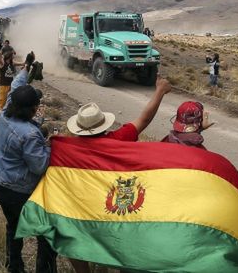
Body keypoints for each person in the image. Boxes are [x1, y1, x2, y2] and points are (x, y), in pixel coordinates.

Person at [64, 77, 171, 273]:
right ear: (103, 124)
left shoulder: (69, 149)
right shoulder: (118, 139)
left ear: (79, 128)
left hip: (82, 207)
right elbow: (144, 119)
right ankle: (106, 265)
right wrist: (159, 92)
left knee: (74, 239)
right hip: (111, 206)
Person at [0, 51, 58, 273]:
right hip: (18, 189)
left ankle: (14, 266)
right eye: (36, 107)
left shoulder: (6, 110)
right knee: (46, 231)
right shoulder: (28, 135)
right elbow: (39, 166)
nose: (37, 109)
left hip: (0, 181)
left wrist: (27, 66)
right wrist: (49, 145)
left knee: (13, 226)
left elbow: (17, 83)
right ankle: (45, 269)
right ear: (31, 110)